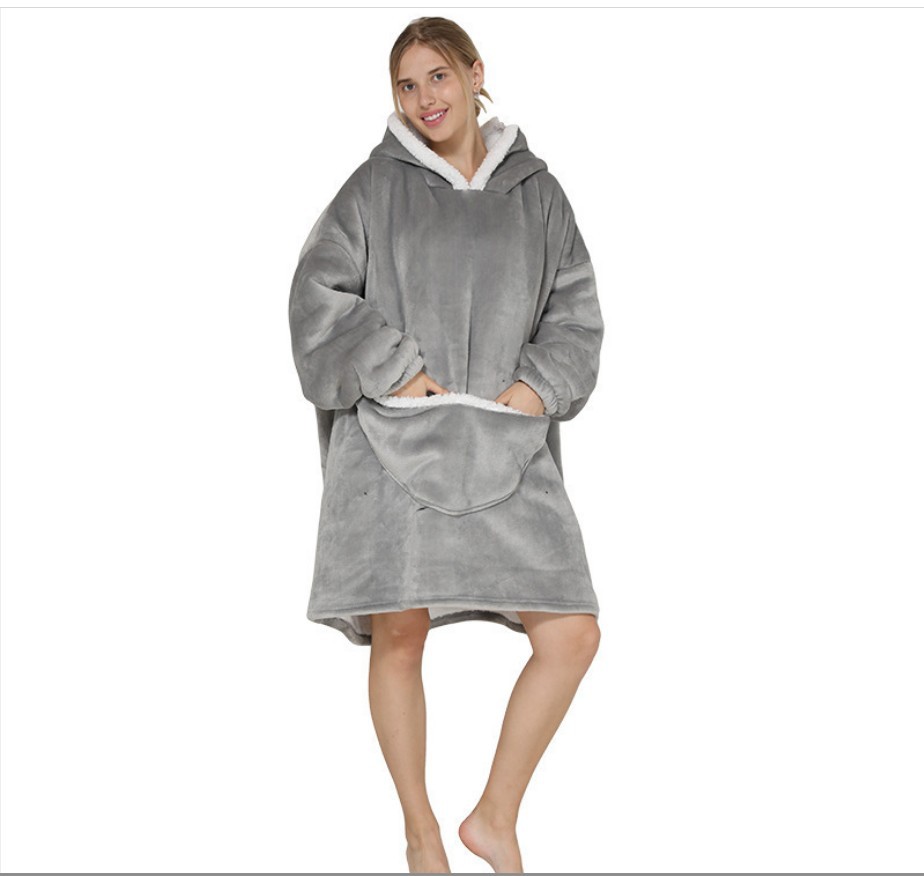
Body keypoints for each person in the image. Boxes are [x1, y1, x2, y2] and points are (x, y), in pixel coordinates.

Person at [288, 16, 605, 874]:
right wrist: (395, 371)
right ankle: (421, 835)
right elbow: (316, 295)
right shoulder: (373, 188)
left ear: (473, 73)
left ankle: (494, 817)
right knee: (400, 633)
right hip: (394, 442)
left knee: (572, 634)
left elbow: (575, 312)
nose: (424, 97)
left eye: (437, 76)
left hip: (506, 443)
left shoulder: (538, 192)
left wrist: (534, 388)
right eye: (406, 83)